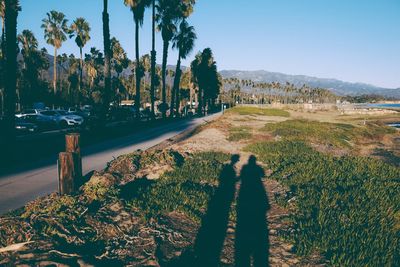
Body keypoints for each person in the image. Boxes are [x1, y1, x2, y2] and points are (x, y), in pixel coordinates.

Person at [235, 155, 270, 267]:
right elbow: (262, 174)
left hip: (245, 192)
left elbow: (240, 177)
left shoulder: (245, 168)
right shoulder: (255, 170)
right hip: (256, 193)